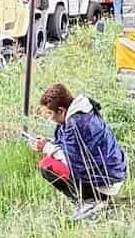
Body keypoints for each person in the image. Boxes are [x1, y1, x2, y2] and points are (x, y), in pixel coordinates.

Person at [31, 83, 127, 220]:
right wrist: (49, 143)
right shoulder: (83, 110)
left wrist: (46, 148)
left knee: (47, 166)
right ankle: (93, 200)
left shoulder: (75, 124)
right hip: (114, 173)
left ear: (61, 110)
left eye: (50, 113)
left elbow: (72, 162)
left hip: (105, 180)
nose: (49, 118)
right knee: (51, 160)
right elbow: (74, 148)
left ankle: (91, 201)